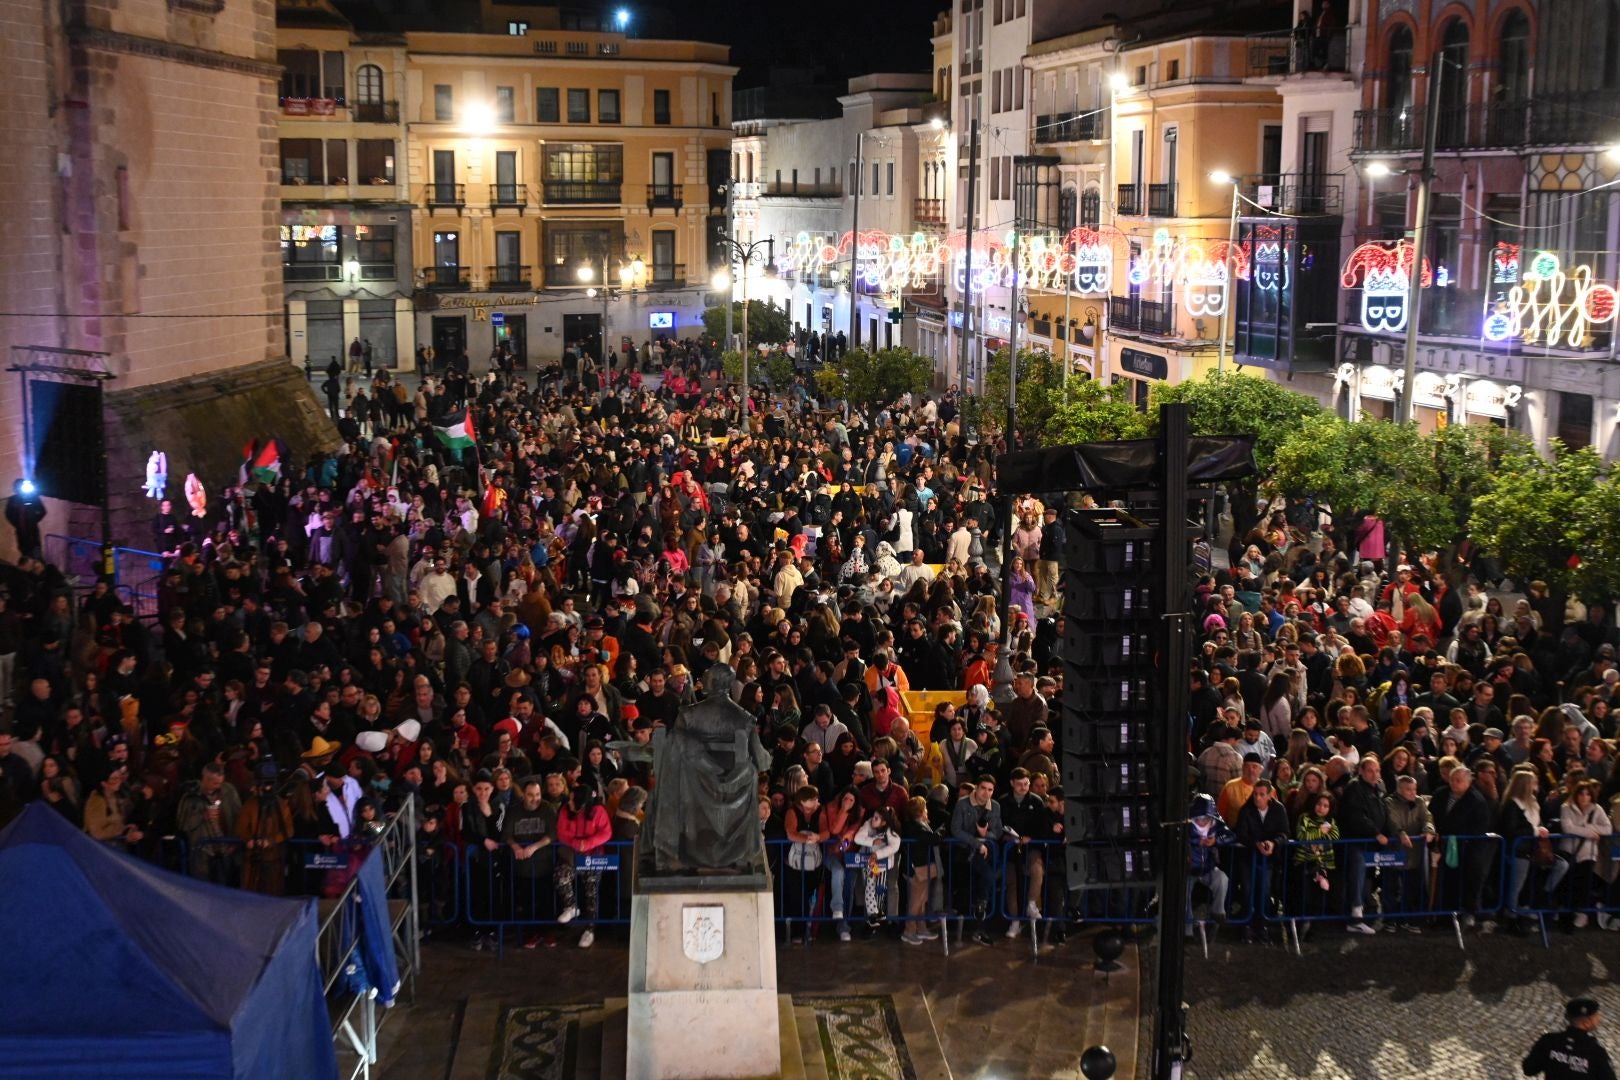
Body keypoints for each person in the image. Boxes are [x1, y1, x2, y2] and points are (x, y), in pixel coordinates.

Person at [1523, 998, 1616, 1080]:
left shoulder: (1549, 1041)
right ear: (1587, 1022)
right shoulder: (1596, 1052)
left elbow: (1529, 1069)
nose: (1599, 1018)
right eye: (1596, 1016)